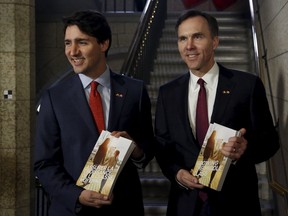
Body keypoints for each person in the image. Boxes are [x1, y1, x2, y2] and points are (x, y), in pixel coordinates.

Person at [154, 10, 279, 216]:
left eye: (198, 37)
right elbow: (162, 146)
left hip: (236, 204)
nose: (189, 46)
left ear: (215, 41)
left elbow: (270, 142)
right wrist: (177, 173)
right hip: (186, 205)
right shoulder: (168, 93)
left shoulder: (246, 85)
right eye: (182, 38)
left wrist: (244, 150)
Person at [34, 10, 155, 216]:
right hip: (72, 209)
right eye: (67, 43)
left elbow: (148, 146)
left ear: (103, 44)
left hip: (124, 208)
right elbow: (44, 164)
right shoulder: (54, 98)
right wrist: (77, 195)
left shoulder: (134, 91)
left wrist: (135, 149)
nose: (72, 51)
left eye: (82, 42)